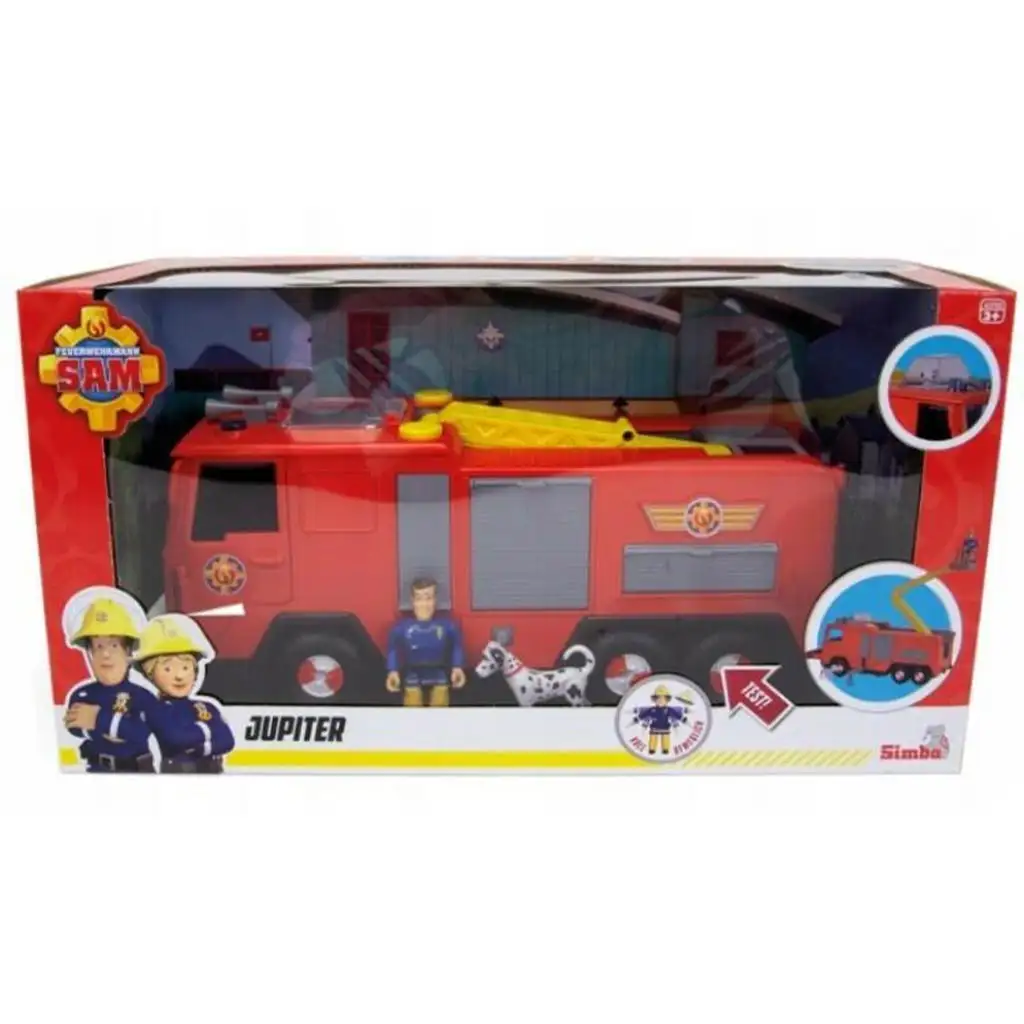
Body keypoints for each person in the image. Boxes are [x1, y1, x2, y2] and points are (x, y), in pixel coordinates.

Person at [63, 597, 157, 773]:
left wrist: (97, 719)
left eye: (114, 645)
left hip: (138, 774)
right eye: (98, 646)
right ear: (89, 653)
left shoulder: (143, 697)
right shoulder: (82, 694)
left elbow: (140, 733)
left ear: (128, 651)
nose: (105, 654)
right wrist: (117, 728)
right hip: (96, 772)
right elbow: (74, 727)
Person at [135, 614, 234, 773]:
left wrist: (197, 745)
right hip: (177, 778)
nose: (179, 676)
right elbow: (176, 739)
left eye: (185, 667)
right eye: (168, 669)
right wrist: (207, 731)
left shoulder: (205, 707)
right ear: (150, 673)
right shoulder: (154, 709)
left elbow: (226, 740)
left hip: (214, 778)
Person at [385, 577, 465, 707]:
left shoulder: (447, 626)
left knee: (440, 695)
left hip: (438, 671)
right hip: (412, 672)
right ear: (412, 601)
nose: (424, 604)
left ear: (435, 600)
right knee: (412, 698)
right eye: (419, 599)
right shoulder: (401, 628)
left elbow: (457, 646)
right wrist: (392, 671)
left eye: (428, 598)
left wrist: (457, 667)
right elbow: (392, 650)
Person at [633, 683, 690, 756]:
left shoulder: (669, 710)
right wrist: (638, 718)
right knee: (653, 738)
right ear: (654, 699)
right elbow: (645, 714)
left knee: (665, 738)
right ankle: (652, 749)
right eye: (658, 698)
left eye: (663, 699)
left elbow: (676, 715)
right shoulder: (652, 709)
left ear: (667, 700)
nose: (660, 700)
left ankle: (665, 749)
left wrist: (682, 719)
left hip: (665, 727)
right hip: (654, 727)